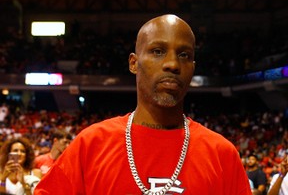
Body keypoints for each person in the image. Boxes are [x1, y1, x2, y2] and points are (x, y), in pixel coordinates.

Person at [34, 14, 252, 194]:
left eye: (184, 55)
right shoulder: (90, 145)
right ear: (133, 63)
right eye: (158, 51)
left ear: (192, 67)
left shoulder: (223, 155)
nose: (172, 64)